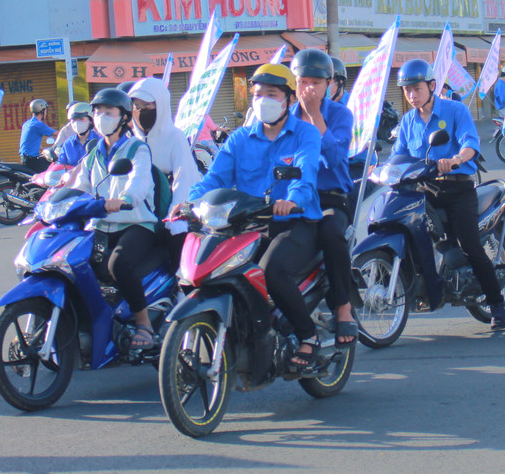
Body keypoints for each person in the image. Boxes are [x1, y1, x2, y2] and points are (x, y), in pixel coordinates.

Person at [179, 64, 326, 366]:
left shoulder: (305, 133)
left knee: (272, 270)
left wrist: (292, 200)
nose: (263, 100)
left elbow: (305, 172)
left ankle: (308, 335)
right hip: (245, 225)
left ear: (288, 98)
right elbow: (214, 178)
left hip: (293, 222)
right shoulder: (239, 139)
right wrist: (188, 202)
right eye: (258, 94)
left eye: (271, 94)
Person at [391, 59, 505, 329]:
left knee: (470, 245)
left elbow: (470, 142)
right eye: (406, 90)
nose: (411, 95)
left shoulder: (455, 110)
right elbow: (399, 155)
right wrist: (381, 169)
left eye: (416, 88)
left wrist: (455, 159)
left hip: (457, 188)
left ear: (432, 86)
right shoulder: (408, 120)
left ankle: (497, 303)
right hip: (424, 189)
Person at [72, 89, 164, 349]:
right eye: (98, 112)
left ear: (124, 118)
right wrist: (57, 200)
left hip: (136, 223)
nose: (102, 117)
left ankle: (143, 324)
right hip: (102, 225)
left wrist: (123, 199)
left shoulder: (137, 149)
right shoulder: (93, 153)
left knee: (119, 265)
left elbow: (139, 184)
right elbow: (79, 186)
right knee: (73, 264)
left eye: (108, 113)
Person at [289, 49, 357, 349]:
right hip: (295, 198)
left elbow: (336, 157)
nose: (309, 89)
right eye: (304, 82)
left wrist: (315, 115)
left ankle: (343, 305)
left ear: (329, 84)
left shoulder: (340, 115)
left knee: (331, 235)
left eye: (317, 82)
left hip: (331, 197)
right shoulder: (284, 117)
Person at [128, 76, 202, 211]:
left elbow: (184, 180)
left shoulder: (175, 137)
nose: (140, 111)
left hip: (165, 209)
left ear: (160, 106)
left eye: (147, 106)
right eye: (137, 106)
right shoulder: (130, 139)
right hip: (135, 213)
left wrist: (175, 215)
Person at [54, 102, 100, 168]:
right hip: (72, 177)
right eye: (74, 120)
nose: (77, 123)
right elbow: (60, 164)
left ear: (90, 121)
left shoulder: (99, 140)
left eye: (81, 119)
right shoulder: (68, 143)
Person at [18, 99, 55, 173]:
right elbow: (58, 134)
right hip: (32, 161)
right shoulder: (38, 125)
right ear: (42, 111)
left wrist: (43, 149)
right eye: (45, 110)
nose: (46, 113)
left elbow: (30, 142)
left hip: (25, 159)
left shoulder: (27, 124)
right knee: (53, 169)